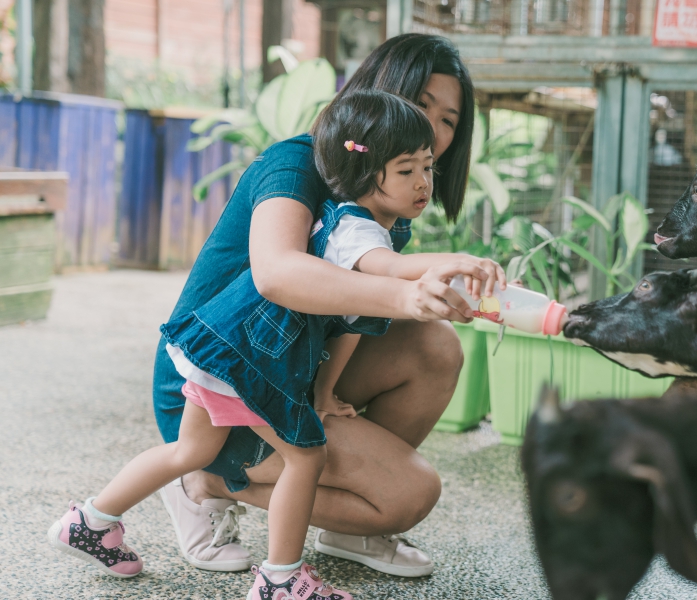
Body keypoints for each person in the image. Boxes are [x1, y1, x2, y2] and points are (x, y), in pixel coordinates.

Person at [48, 90, 503, 599]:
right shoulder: (352, 227)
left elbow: (351, 322)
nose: (423, 182)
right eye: (405, 170)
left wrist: (326, 391)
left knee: (190, 451)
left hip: (218, 348)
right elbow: (386, 272)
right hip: (250, 359)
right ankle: (281, 580)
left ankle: (89, 520)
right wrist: (439, 270)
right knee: (304, 458)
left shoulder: (383, 230)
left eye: (428, 168)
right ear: (363, 169)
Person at [151, 34, 495, 577]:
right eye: (421, 103)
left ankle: (348, 529)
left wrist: (327, 390)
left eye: (448, 119)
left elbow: (353, 312)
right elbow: (278, 273)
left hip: (287, 367)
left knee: (435, 347)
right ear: (377, 92)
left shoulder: (385, 201)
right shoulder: (296, 164)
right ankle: (204, 478)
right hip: (213, 387)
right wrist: (406, 293)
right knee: (409, 493)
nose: (432, 126)